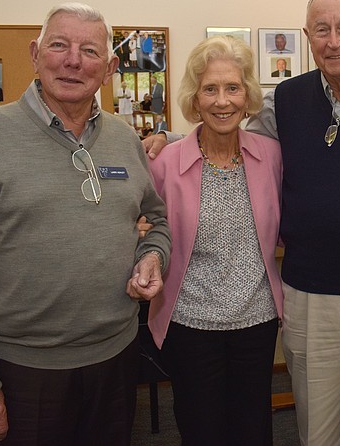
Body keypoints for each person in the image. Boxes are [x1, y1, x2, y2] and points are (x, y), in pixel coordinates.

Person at [144, 0, 340, 445]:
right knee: (315, 431)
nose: (334, 40)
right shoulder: (283, 103)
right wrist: (163, 138)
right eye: (321, 29)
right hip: (309, 293)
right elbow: (230, 135)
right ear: (308, 37)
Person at [0, 2, 171, 445]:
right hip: (21, 372)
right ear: (35, 54)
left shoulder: (123, 140)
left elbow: (158, 222)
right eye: (60, 45)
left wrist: (153, 255)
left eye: (90, 51)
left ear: (110, 67)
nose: (73, 60)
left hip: (115, 361)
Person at [147, 36, 283, 444]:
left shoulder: (272, 156)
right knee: (200, 427)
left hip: (257, 321)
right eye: (210, 89)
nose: (222, 101)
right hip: (190, 323)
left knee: (252, 427)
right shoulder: (165, 163)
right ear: (195, 97)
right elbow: (146, 227)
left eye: (232, 88)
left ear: (247, 96)